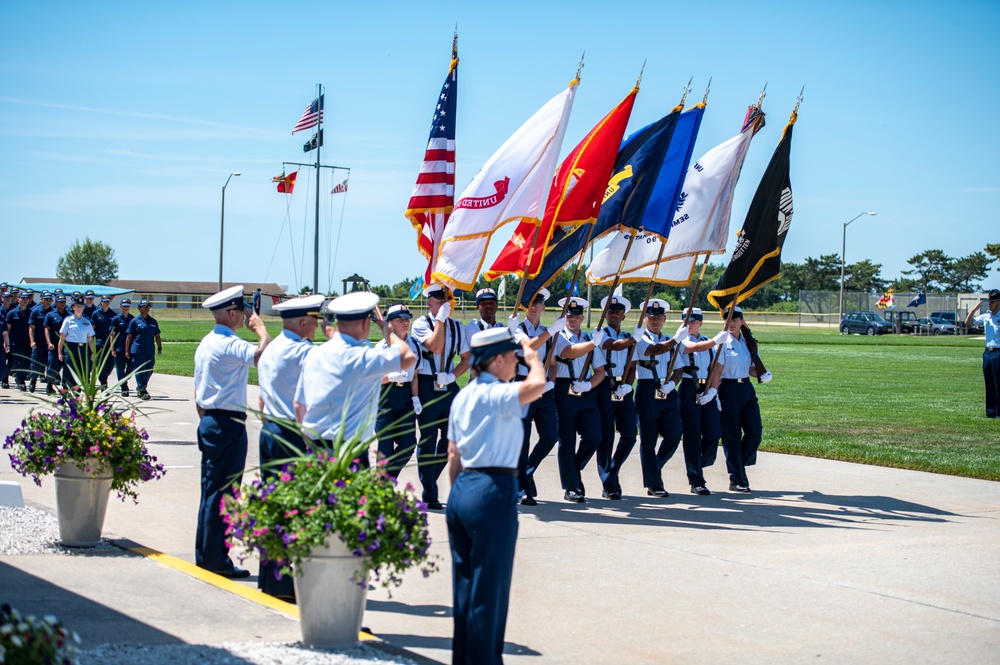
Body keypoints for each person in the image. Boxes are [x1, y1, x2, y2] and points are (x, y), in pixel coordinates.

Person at [446, 327, 546, 665]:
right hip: (492, 488)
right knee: (490, 587)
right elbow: (536, 387)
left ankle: (466, 658)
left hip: (463, 489)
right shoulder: (495, 393)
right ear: (498, 359)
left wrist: (459, 496)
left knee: (465, 586)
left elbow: (452, 455)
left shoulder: (463, 396)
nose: (518, 360)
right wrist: (535, 360)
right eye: (514, 356)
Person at [193, 285, 271, 578]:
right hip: (228, 422)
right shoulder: (229, 342)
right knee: (224, 495)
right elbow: (263, 356)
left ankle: (206, 555)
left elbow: (197, 390)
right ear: (230, 312)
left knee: (211, 492)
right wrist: (261, 330)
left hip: (210, 419)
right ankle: (216, 560)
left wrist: (206, 418)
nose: (245, 316)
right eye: (241, 311)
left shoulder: (206, 342)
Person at [255, 293, 325, 601]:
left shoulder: (272, 349)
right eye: (313, 322)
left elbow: (260, 397)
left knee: (274, 506)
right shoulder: (304, 353)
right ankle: (283, 584)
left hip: (270, 428)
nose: (315, 327)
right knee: (293, 507)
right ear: (302, 323)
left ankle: (270, 579)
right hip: (291, 434)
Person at [295, 292, 415, 462]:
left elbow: (299, 404)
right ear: (366, 323)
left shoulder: (314, 354)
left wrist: (308, 442)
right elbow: (408, 357)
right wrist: (387, 332)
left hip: (317, 444)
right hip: (352, 447)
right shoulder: (364, 357)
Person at [411, 283, 470, 509]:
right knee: (428, 439)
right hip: (427, 385)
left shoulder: (457, 326)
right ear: (429, 301)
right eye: (438, 299)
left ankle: (429, 483)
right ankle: (430, 492)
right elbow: (436, 346)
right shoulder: (420, 324)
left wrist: (453, 376)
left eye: (446, 299)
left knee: (450, 440)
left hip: (448, 385)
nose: (443, 303)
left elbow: (466, 358)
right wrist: (440, 321)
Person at [511, 288, 564, 506]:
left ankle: (527, 470)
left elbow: (552, 364)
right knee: (522, 442)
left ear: (543, 308)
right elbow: (530, 347)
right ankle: (521, 488)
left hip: (543, 391)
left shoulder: (546, 331)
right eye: (530, 304)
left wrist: (550, 381)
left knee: (550, 436)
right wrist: (552, 330)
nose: (533, 308)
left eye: (538, 304)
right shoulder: (517, 329)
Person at [552, 296, 607, 502]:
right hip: (564, 389)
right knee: (567, 440)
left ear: (582, 317)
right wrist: (593, 343)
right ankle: (571, 487)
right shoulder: (558, 336)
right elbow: (569, 353)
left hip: (585, 390)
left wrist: (589, 385)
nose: (571, 319)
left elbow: (600, 371)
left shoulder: (590, 339)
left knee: (594, 436)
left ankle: (572, 469)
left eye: (575, 316)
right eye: (568, 315)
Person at [634, 299, 686, 497]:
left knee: (674, 435)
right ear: (645, 318)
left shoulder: (669, 340)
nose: (655, 321)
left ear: (664, 319)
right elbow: (655, 350)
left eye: (659, 317)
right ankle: (654, 484)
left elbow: (679, 368)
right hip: (647, 390)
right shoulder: (640, 337)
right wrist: (676, 339)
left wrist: (672, 383)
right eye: (651, 317)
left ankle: (654, 468)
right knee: (648, 439)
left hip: (667, 391)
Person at [677, 307, 732, 495]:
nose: (689, 325)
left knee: (713, 432)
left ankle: (698, 464)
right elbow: (692, 348)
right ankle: (696, 480)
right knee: (692, 436)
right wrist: (715, 341)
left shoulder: (706, 342)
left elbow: (715, 369)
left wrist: (713, 391)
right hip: (688, 387)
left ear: (700, 323)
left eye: (693, 321)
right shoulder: (682, 339)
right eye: (686, 321)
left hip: (706, 388)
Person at [717, 307, 766, 492]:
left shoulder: (748, 342)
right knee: (732, 436)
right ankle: (736, 478)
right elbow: (718, 371)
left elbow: (752, 368)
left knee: (755, 432)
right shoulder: (721, 341)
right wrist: (714, 394)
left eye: (735, 319)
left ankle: (739, 466)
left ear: (741, 321)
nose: (731, 323)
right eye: (727, 319)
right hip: (727, 389)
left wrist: (763, 373)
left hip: (746, 388)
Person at [594, 295, 638, 500]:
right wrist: (634, 340)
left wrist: (628, 385)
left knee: (630, 433)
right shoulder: (599, 334)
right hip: (604, 386)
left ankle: (612, 470)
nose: (613, 315)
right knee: (606, 436)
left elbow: (632, 365)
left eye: (617, 312)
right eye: (610, 312)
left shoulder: (629, 335)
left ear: (624, 315)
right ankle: (608, 483)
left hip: (623, 388)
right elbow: (616, 346)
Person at [375, 304, 423, 478]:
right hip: (385, 397)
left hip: (406, 398)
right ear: (390, 323)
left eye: (407, 318)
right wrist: (391, 377)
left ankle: (384, 479)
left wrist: (416, 398)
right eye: (400, 319)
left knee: (408, 445)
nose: (405, 322)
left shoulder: (414, 344)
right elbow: (373, 380)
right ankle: (383, 487)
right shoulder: (381, 347)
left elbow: (415, 374)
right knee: (385, 448)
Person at [966, 289, 1000, 418]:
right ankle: (990, 412)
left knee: (998, 383)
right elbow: (968, 323)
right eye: (989, 302)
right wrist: (973, 311)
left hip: (998, 352)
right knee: (989, 383)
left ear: (998, 302)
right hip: (988, 353)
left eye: (992, 302)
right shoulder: (986, 316)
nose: (990, 304)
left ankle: (999, 412)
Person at [125, 299, 162, 400]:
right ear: (139, 308)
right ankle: (142, 390)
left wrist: (159, 347)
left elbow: (157, 335)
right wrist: (127, 350)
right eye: (144, 306)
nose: (146, 308)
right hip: (137, 350)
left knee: (149, 370)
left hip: (149, 350)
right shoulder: (135, 321)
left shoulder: (153, 321)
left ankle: (141, 386)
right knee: (140, 370)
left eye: (148, 307)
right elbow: (129, 336)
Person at [58, 296, 95, 387]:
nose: (79, 308)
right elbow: (62, 337)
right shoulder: (68, 321)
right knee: (71, 372)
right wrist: (59, 352)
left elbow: (90, 339)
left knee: (84, 372)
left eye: (81, 306)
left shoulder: (86, 322)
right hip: (71, 348)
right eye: (77, 306)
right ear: (73, 307)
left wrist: (93, 352)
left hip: (83, 349)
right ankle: (74, 393)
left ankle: (81, 391)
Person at [6, 292, 33, 391]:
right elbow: (7, 329)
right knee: (19, 362)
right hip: (16, 343)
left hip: (27, 343)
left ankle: (19, 377)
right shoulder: (12, 313)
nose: (25, 300)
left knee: (27, 362)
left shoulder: (31, 312)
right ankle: (21, 381)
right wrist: (6, 342)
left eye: (27, 298)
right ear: (18, 299)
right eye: (23, 298)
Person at [28, 291, 54, 393]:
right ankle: (33, 381)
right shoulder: (35, 311)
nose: (48, 302)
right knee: (36, 364)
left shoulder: (54, 312)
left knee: (51, 364)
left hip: (51, 344)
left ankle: (49, 385)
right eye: (46, 299)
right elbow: (31, 328)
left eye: (50, 300)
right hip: (39, 343)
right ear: (41, 299)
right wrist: (32, 341)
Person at [43, 295, 70, 392]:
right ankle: (49, 384)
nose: (62, 303)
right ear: (56, 302)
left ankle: (65, 386)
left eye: (64, 301)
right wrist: (49, 343)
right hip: (54, 346)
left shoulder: (70, 315)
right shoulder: (50, 315)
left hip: (67, 346)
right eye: (60, 301)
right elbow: (47, 330)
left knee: (67, 367)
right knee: (53, 366)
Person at [109, 299, 136, 396]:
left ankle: (124, 379)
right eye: (124, 306)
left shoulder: (133, 319)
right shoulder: (116, 319)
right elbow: (112, 335)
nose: (126, 307)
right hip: (119, 348)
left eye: (128, 305)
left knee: (132, 366)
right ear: (120, 306)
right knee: (120, 368)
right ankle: (124, 387)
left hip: (130, 348)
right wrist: (112, 349)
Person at [90, 296, 117, 390]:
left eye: (108, 301)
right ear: (101, 302)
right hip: (99, 343)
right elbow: (92, 329)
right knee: (101, 364)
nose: (106, 303)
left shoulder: (113, 314)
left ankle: (104, 377)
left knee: (110, 364)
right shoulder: (96, 314)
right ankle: (103, 383)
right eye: (104, 301)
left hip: (109, 344)